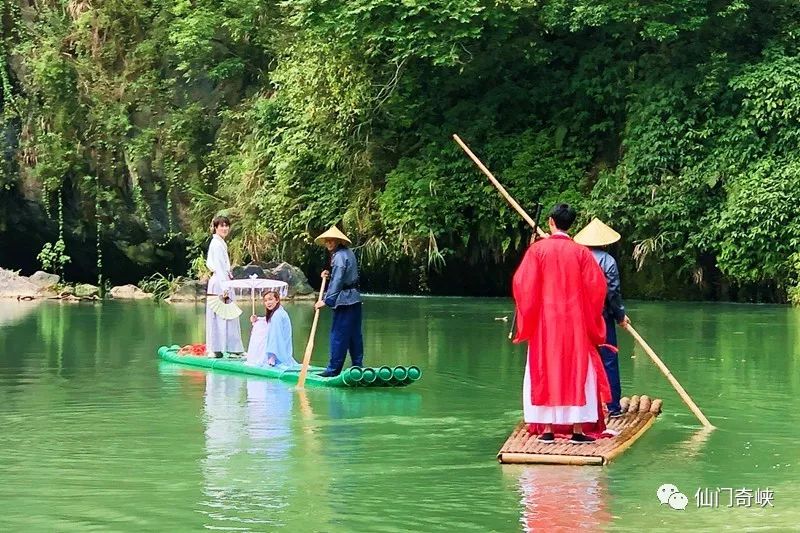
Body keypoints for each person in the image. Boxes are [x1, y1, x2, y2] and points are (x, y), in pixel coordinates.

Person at [512, 203, 611, 444]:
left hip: (546, 323)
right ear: (571, 225)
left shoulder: (537, 251)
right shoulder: (582, 253)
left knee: (546, 370)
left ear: (550, 222)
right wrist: (591, 319)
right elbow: (597, 289)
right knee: (576, 371)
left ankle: (547, 430)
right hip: (575, 323)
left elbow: (522, 284)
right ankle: (577, 430)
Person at [574, 218, 630, 417]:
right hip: (602, 318)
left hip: (578, 319)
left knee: (581, 361)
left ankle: (583, 408)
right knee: (609, 360)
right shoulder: (607, 261)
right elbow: (613, 293)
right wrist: (620, 316)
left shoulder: (576, 258)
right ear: (605, 242)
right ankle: (613, 407)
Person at [313, 225, 364, 377]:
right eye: (327, 241)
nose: (328, 243)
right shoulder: (348, 253)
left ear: (338, 241)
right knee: (354, 334)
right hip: (354, 299)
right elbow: (342, 275)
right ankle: (358, 365)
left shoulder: (339, 256)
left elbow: (339, 279)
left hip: (345, 301)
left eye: (331, 241)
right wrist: (329, 274)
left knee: (339, 335)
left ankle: (333, 370)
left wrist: (327, 300)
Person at [205, 215, 244, 358]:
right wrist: (225, 287)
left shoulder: (220, 242)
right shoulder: (216, 244)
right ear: (215, 228)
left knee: (227, 314)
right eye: (221, 226)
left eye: (226, 225)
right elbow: (220, 267)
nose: (224, 228)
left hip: (223, 280)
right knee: (221, 314)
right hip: (220, 282)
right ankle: (220, 348)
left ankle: (226, 348)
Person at [246, 291, 298, 369]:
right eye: (265, 301)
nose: (268, 303)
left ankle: (273, 357)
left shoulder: (277, 315)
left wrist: (272, 356)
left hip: (279, 351)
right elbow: (268, 322)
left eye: (270, 299)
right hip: (284, 349)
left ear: (277, 300)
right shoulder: (278, 312)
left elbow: (275, 336)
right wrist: (257, 319)